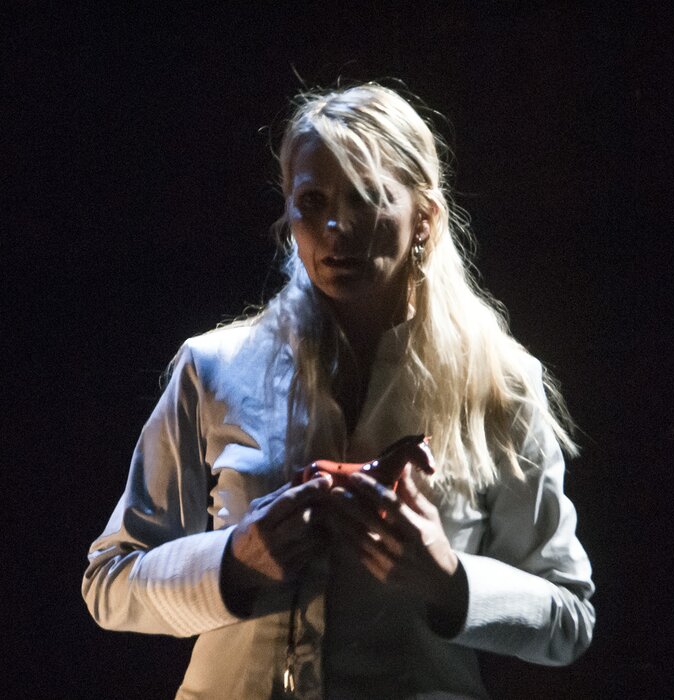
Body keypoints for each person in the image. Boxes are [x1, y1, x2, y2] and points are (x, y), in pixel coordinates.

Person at [82, 83, 595, 699]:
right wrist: (233, 562)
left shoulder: (498, 386)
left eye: (367, 196)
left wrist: (450, 580)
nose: (335, 226)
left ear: (425, 217)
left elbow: (570, 618)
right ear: (289, 216)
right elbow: (109, 582)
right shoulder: (214, 369)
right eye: (312, 201)